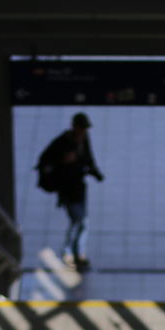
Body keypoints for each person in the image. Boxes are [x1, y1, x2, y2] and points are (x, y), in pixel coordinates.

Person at [38, 112, 104, 269]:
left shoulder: (84, 140)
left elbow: (88, 158)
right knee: (78, 221)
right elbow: (45, 159)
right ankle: (70, 253)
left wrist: (96, 173)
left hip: (79, 187)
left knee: (82, 222)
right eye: (81, 128)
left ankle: (76, 253)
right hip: (67, 188)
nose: (83, 132)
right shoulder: (62, 142)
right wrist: (63, 161)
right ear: (74, 126)